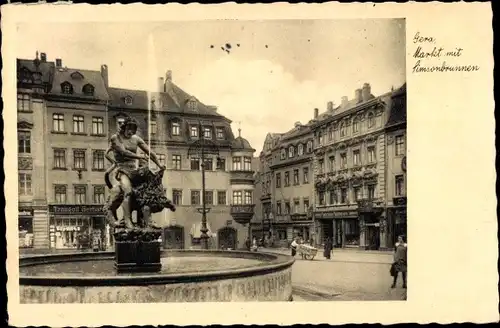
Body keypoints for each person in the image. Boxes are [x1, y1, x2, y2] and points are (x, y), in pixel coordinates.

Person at [104, 117, 166, 229]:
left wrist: (159, 164)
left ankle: (148, 220)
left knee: (147, 191)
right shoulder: (115, 138)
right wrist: (139, 156)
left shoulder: (136, 139)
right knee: (128, 191)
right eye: (129, 129)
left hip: (134, 171)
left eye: (133, 130)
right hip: (122, 171)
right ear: (123, 128)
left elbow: (150, 153)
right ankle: (127, 220)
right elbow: (123, 152)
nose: (131, 132)